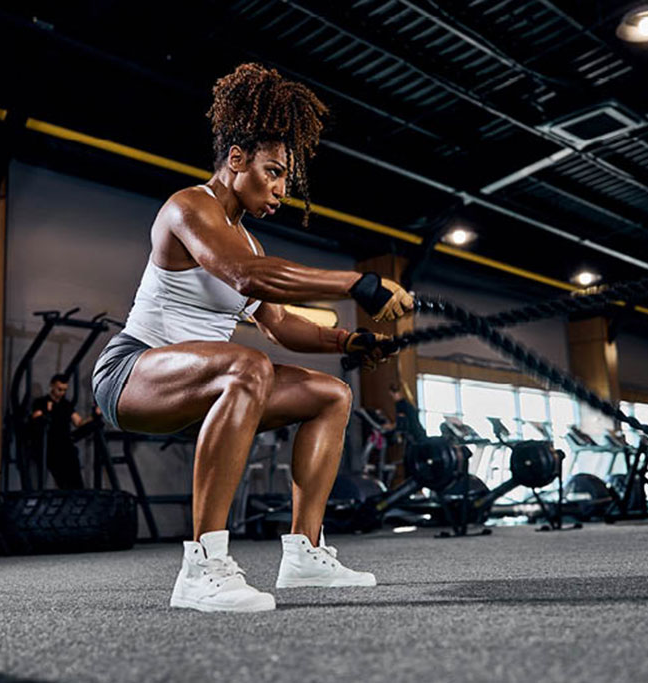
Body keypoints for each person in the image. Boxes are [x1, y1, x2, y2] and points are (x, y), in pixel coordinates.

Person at [92, 63, 413, 613]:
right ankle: (201, 566)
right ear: (235, 159)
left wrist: (348, 344)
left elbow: (281, 324)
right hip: (132, 374)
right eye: (273, 171)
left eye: (286, 177)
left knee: (331, 396)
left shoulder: (251, 242)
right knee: (247, 366)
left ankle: (304, 553)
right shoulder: (189, 206)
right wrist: (355, 283)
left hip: (204, 381)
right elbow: (245, 277)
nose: (282, 189)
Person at [30, 373, 100, 490]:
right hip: (50, 445)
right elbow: (36, 419)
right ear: (52, 386)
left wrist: (94, 416)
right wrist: (46, 412)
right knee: (61, 478)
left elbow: (78, 422)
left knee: (75, 477)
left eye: (64, 390)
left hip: (66, 444)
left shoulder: (66, 405)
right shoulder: (41, 402)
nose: (62, 393)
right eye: (59, 389)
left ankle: (77, 497)